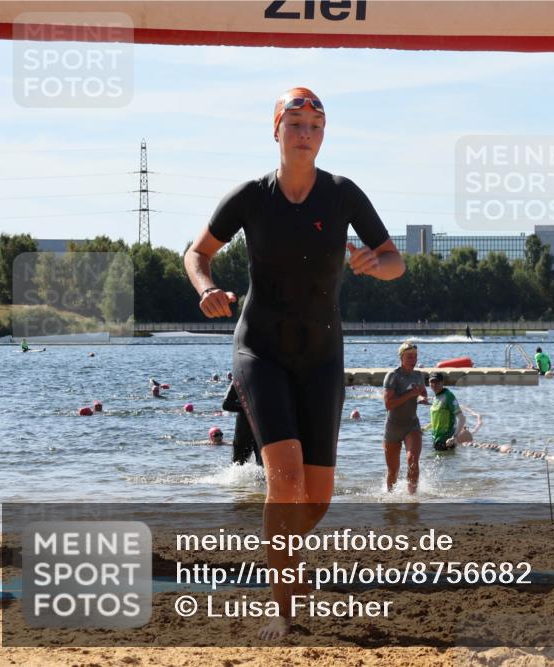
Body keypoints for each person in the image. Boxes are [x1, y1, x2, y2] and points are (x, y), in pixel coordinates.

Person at [184, 87, 404, 640]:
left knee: (319, 497)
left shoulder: (343, 194)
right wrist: (205, 287)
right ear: (276, 129)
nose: (305, 133)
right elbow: (196, 252)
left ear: (323, 135)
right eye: (295, 123)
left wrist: (376, 265)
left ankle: (278, 556)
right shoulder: (251, 197)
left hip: (323, 355)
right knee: (284, 481)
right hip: (261, 350)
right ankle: (281, 611)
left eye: (315, 124)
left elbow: (396, 260)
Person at [383, 341, 426, 492]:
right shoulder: (393, 376)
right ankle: (389, 500)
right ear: (401, 358)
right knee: (393, 472)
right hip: (393, 427)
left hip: (411, 425)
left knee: (412, 461)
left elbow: (422, 394)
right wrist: (410, 395)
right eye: (409, 357)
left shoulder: (418, 375)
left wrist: (422, 398)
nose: (413, 360)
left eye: (415, 357)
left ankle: (412, 499)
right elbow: (388, 404)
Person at [427, 372, 466, 451]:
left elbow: (462, 418)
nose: (434, 384)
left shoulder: (448, 396)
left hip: (447, 441)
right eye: (432, 382)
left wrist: (454, 437)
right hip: (436, 439)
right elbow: (436, 420)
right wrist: (424, 429)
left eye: (437, 382)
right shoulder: (436, 397)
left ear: (442, 383)